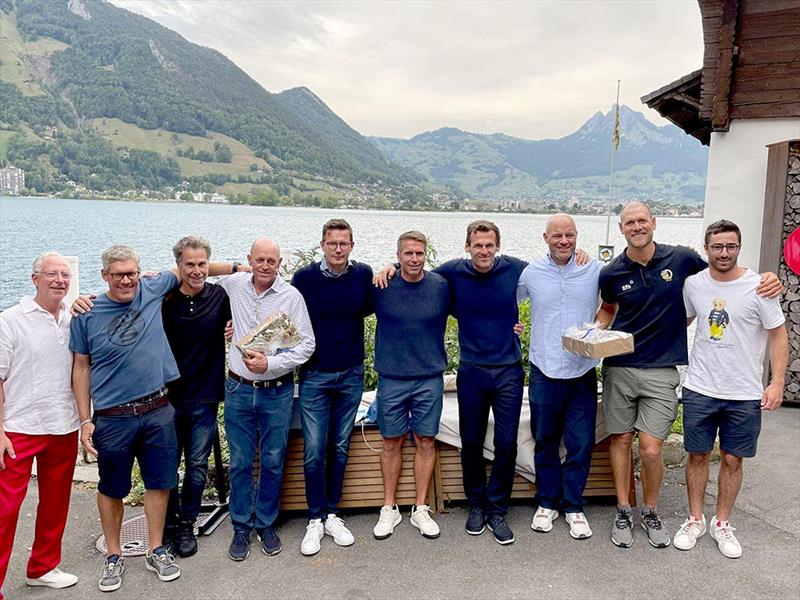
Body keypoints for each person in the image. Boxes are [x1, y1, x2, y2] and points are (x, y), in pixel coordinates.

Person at [596, 202, 781, 549]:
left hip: (662, 369)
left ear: (654, 223)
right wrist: (593, 333)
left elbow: (723, 272)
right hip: (619, 367)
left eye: (642, 220)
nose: (637, 227)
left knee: (651, 449)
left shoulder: (681, 259)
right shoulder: (610, 272)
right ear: (621, 229)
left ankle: (651, 512)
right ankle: (623, 510)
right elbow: (607, 309)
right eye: (630, 222)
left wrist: (767, 278)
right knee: (620, 440)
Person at [70, 245, 236, 592]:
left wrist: (240, 266)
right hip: (113, 416)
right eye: (119, 274)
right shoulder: (87, 313)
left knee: (160, 483)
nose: (127, 280)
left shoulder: (152, 287)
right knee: (111, 487)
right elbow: (81, 368)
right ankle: (113, 555)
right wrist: (85, 420)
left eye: (132, 273)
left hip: (158, 408)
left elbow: (195, 266)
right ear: (105, 276)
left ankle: (157, 549)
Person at [674, 220, 788, 559]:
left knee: (732, 458)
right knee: (696, 455)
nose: (724, 253)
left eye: (730, 246)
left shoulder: (759, 287)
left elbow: (778, 335)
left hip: (743, 392)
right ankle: (695, 518)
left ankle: (722, 523)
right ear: (706, 248)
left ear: (739, 247)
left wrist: (777, 381)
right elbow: (680, 320)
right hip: (700, 386)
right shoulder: (694, 284)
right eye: (717, 247)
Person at [218, 237, 314, 561]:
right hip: (239, 388)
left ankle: (266, 523)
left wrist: (270, 363)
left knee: (273, 461)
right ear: (249, 260)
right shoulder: (234, 285)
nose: (265, 266)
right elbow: (196, 275)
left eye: (271, 261)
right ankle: (241, 526)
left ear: (279, 263)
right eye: (259, 260)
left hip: (277, 391)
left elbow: (306, 345)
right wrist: (235, 268)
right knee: (240, 462)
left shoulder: (291, 296)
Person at [518, 214, 611, 540]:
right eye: (557, 236)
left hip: (581, 371)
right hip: (543, 370)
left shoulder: (594, 270)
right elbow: (501, 299)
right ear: (545, 238)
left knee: (580, 443)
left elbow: (611, 305)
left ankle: (573, 506)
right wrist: (511, 326)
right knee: (544, 440)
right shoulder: (531, 273)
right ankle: (546, 503)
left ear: (577, 236)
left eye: (569, 235)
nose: (564, 241)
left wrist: (596, 331)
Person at [291, 219, 373, 556]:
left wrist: (393, 267)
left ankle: (333, 514)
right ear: (322, 245)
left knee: (339, 446)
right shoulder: (304, 279)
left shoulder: (363, 275)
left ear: (352, 246)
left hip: (351, 373)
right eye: (332, 243)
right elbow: (284, 316)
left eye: (344, 243)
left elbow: (378, 299)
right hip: (315, 375)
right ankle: (315, 517)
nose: (338, 249)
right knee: (314, 449)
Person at [0, 253, 79, 597]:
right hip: (18, 428)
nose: (60, 280)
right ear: (35, 279)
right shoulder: (10, 320)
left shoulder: (74, 319)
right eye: (51, 274)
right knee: (5, 510)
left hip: (63, 424)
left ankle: (43, 567)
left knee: (55, 503)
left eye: (65, 275)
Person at [371, 231, 450, 541]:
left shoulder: (441, 286)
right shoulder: (381, 285)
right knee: (391, 441)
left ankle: (420, 508)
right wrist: (387, 268)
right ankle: (388, 507)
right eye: (408, 254)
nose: (414, 259)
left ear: (425, 255)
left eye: (419, 253)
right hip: (391, 377)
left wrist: (512, 324)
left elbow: (475, 310)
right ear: (398, 255)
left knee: (426, 440)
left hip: (429, 377)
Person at [161, 236, 233, 557]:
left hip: (204, 396)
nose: (197, 270)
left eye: (202, 264)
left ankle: (187, 523)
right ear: (178, 265)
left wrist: (233, 327)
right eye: (189, 264)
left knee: (197, 466)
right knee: (166, 466)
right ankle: (167, 525)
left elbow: (245, 317)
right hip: (166, 397)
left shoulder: (219, 296)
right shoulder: (163, 297)